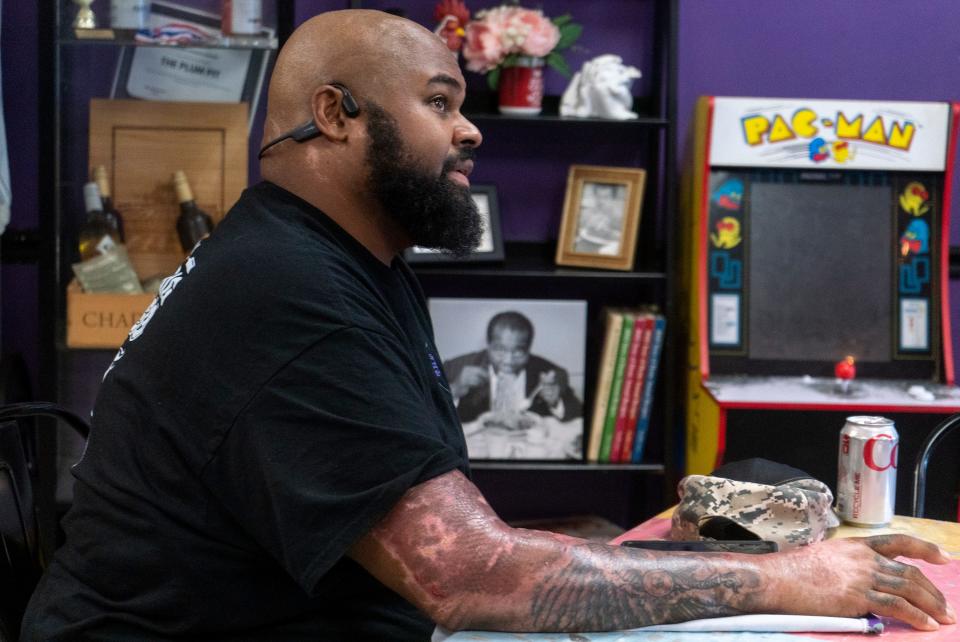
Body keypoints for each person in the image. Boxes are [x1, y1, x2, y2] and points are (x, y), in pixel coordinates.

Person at [22, 9, 955, 641]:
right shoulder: (286, 292)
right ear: (334, 117)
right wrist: (792, 584)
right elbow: (469, 576)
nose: (470, 131)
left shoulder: (342, 262)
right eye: (438, 103)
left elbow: (454, 539)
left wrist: (694, 550)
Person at [444, 310, 583, 423]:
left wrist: (555, 403)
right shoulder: (456, 367)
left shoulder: (549, 372)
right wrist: (455, 389)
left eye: (518, 351)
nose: (508, 360)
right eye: (499, 350)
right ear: (489, 345)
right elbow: (428, 416)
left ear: (528, 349)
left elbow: (578, 414)